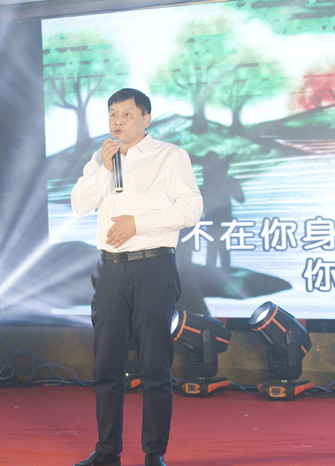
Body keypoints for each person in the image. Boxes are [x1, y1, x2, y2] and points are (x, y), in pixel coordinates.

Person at [71, 88, 203, 466]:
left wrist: (137, 224)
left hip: (153, 267)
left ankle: (153, 452)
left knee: (154, 365)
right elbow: (79, 205)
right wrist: (103, 168)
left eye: (126, 114)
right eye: (113, 114)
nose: (118, 121)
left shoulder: (170, 156)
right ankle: (107, 450)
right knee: (106, 364)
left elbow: (191, 209)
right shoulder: (101, 157)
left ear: (146, 119)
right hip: (110, 270)